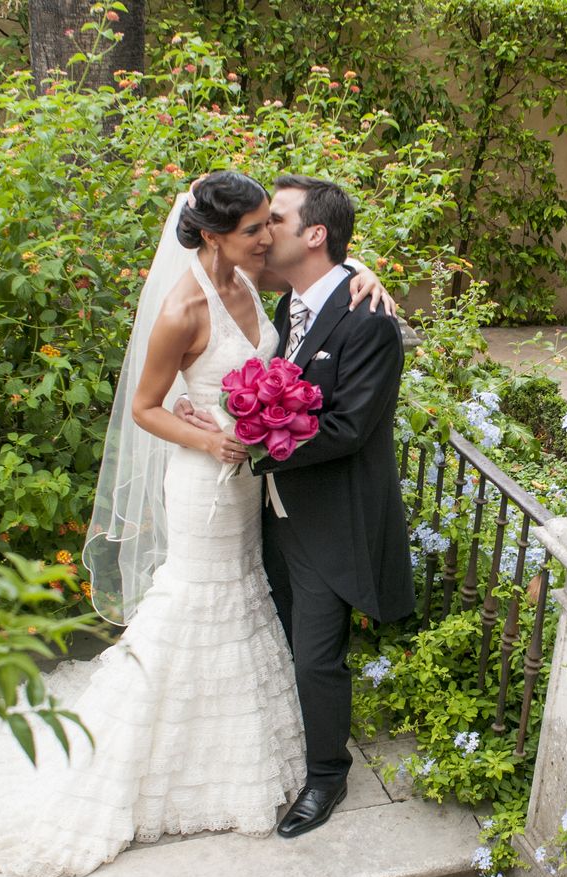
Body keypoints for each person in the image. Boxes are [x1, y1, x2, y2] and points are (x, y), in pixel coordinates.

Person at [0, 172, 392, 877]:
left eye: (274, 223)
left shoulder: (256, 281)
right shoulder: (185, 304)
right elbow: (148, 406)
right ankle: (146, 756)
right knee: (194, 607)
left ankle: (264, 752)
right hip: (208, 479)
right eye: (254, 228)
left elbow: (326, 277)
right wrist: (213, 440)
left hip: (255, 485)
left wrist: (366, 272)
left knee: (246, 606)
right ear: (216, 235)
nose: (267, 237)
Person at [183, 175, 415, 838]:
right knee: (266, 629)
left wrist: (250, 445)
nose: (262, 229)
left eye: (275, 218)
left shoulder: (371, 320)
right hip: (259, 508)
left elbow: (347, 428)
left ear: (314, 234)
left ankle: (326, 776)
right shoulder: (281, 300)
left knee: (316, 653)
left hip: (324, 517)